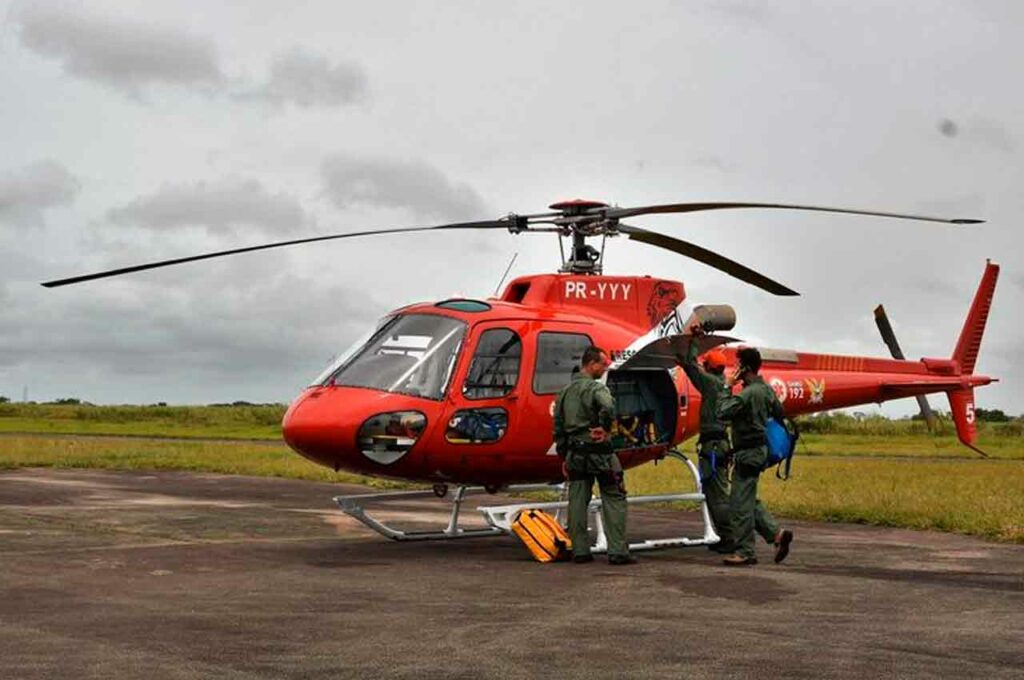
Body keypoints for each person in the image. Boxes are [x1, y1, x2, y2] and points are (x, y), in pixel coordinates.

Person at [553, 346, 635, 565]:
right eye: (603, 364)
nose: (605, 367)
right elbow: (608, 406)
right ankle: (617, 551)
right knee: (614, 496)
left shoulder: (564, 392)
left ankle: (580, 550)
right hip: (601, 453)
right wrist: (605, 427)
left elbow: (558, 428)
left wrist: (564, 457)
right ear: (591, 364)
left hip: (575, 454)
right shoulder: (596, 389)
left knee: (577, 500)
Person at [716, 347, 794, 566]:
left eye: (737, 364)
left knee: (739, 505)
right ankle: (776, 534)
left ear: (744, 367)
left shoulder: (748, 394)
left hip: (748, 453)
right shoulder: (766, 390)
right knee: (746, 497)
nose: (734, 369)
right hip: (759, 451)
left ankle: (745, 552)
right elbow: (778, 411)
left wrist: (727, 387)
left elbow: (722, 412)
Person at [677, 325, 734, 553]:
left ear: (709, 368)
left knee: (717, 495)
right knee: (716, 492)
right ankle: (726, 535)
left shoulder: (711, 384)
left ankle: (729, 537)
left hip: (713, 446)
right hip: (720, 444)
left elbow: (692, 367)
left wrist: (694, 342)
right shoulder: (722, 382)